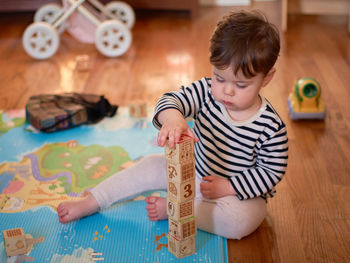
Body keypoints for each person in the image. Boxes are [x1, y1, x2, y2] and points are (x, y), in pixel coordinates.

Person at [57, 10, 288, 239]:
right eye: (219, 78)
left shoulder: (271, 127)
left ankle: (174, 208)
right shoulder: (206, 92)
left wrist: (229, 187)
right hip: (192, 173)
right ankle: (93, 200)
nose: (227, 90)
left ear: (266, 78)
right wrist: (174, 118)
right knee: (148, 166)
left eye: (241, 85)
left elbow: (271, 172)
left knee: (242, 221)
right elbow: (170, 100)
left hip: (236, 195)